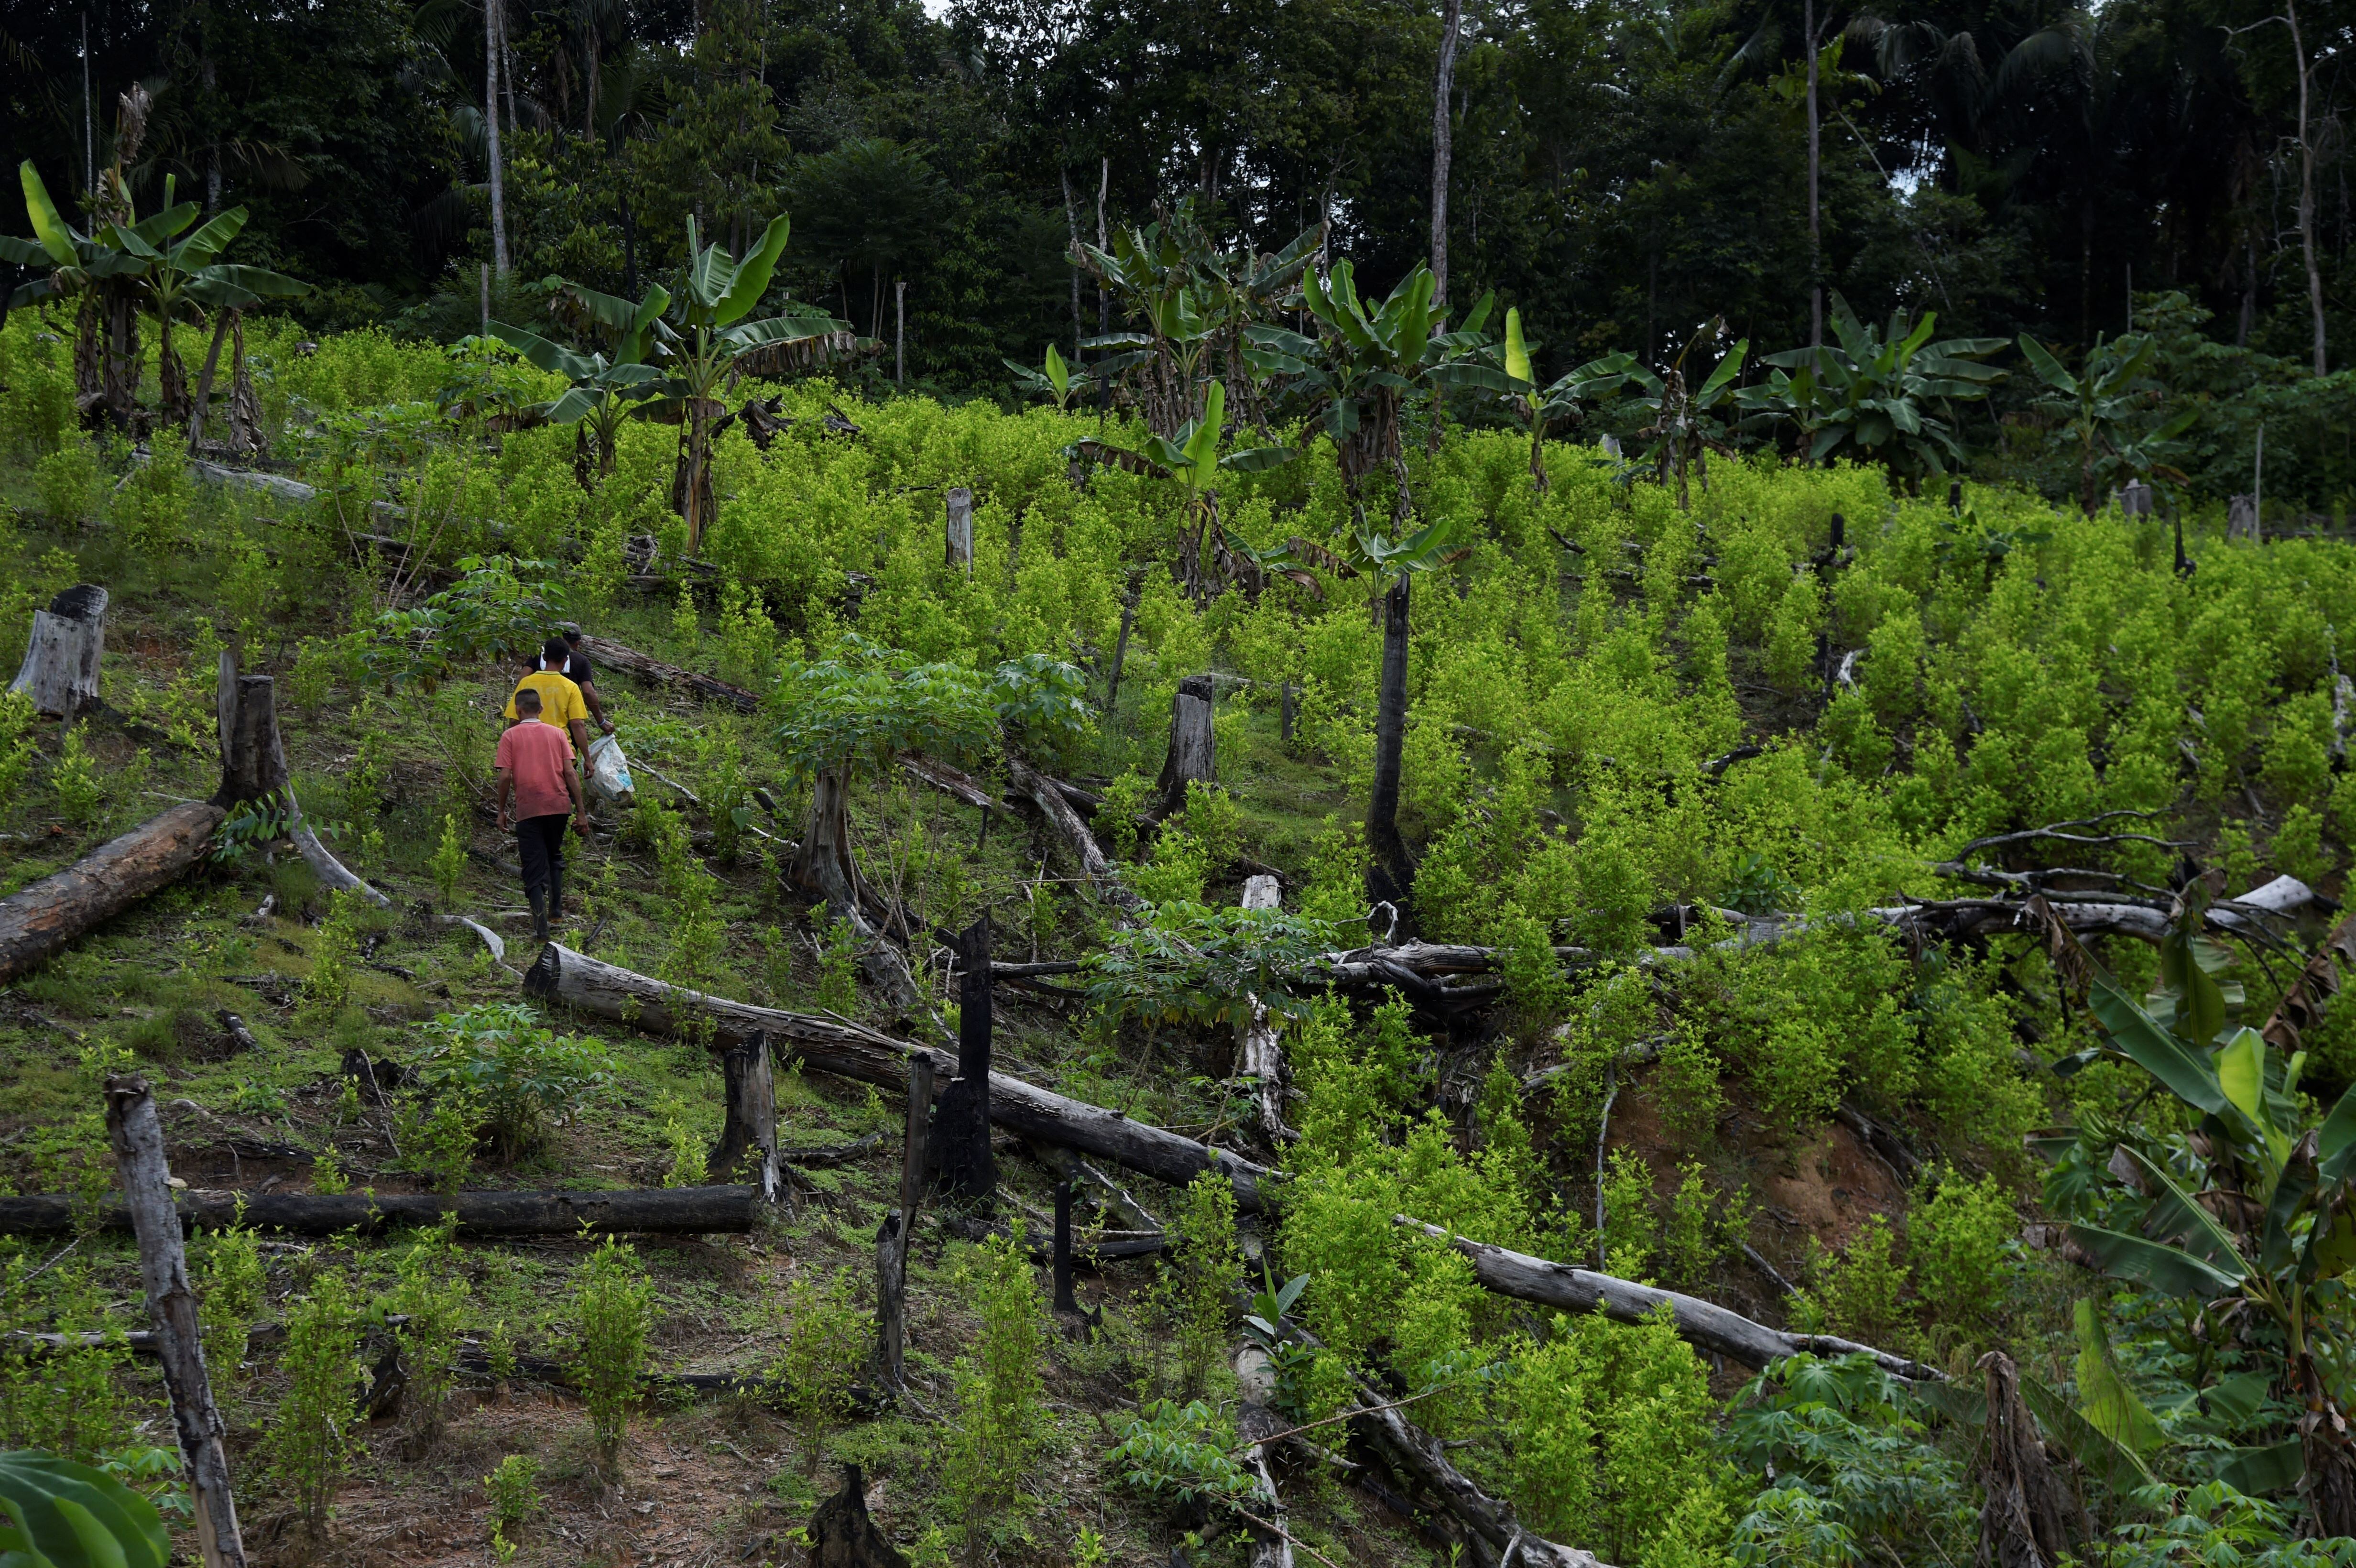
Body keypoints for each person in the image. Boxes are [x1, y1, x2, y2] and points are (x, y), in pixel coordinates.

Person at [494, 685, 588, 940]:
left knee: (533, 867)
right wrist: (580, 811)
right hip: (558, 805)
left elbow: (505, 776)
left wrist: (502, 810)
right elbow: (570, 773)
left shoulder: (510, 737)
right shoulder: (558, 734)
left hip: (529, 808)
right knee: (554, 854)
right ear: (542, 710)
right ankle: (556, 910)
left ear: (518, 710)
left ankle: (541, 927)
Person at [504, 636, 593, 758]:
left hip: (528, 753)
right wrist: (587, 759)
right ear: (566, 660)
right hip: (560, 753)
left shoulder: (526, 683)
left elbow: (514, 721)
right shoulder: (571, 687)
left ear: (544, 657)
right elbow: (578, 725)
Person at [526, 628, 615, 735]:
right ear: (578, 643)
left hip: (532, 723)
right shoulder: (581, 661)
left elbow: (522, 681)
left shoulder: (538, 656)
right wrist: (601, 722)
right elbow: (588, 692)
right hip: (565, 726)